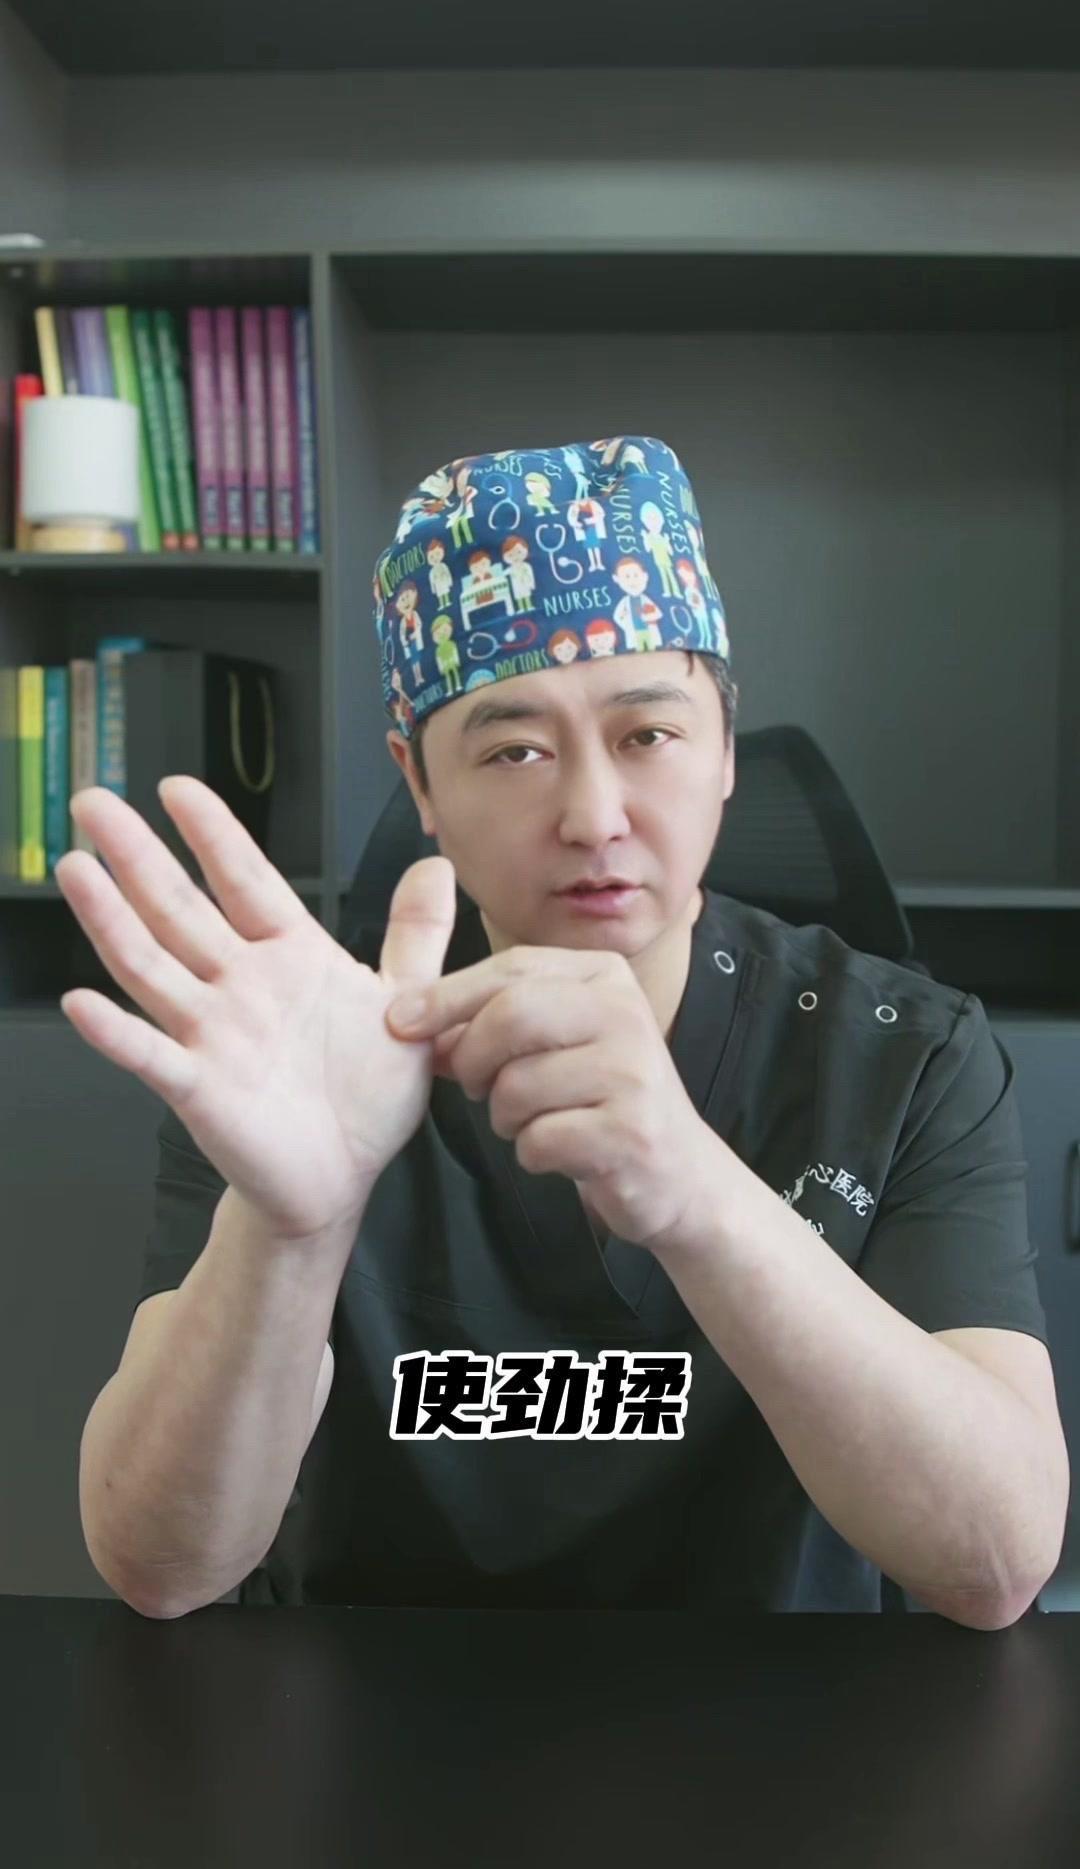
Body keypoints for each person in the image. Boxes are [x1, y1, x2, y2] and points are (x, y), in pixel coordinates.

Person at [60, 436, 1069, 1627]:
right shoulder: (300, 1056)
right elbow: (161, 1566)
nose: (594, 816)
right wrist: (289, 1232)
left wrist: (696, 1191)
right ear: (421, 786)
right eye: (515, 750)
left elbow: (996, 1565)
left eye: (648, 736)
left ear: (726, 749)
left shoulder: (904, 1054)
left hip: (786, 1718)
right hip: (381, 1715)